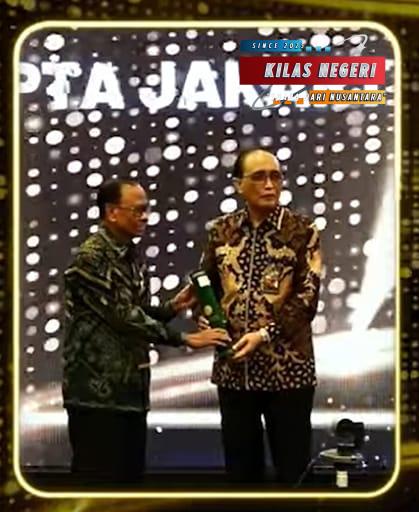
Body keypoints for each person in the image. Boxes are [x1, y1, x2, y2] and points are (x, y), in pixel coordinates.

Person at [62, 178, 230, 485]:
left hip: (130, 392)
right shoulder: (92, 257)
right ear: (112, 212)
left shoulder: (130, 253)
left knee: (129, 483)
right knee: (97, 484)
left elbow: (133, 309)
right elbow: (121, 316)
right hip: (96, 397)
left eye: (146, 209)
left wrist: (172, 308)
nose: (145, 217)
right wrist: (184, 339)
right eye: (137, 210)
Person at [199, 148, 322, 485]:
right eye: (259, 177)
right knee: (241, 475)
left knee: (293, 473)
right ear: (238, 185)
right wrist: (204, 316)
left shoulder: (302, 231)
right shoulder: (221, 230)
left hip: (288, 372)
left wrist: (265, 334)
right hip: (233, 371)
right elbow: (205, 284)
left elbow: (307, 299)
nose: (270, 184)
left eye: (275, 177)